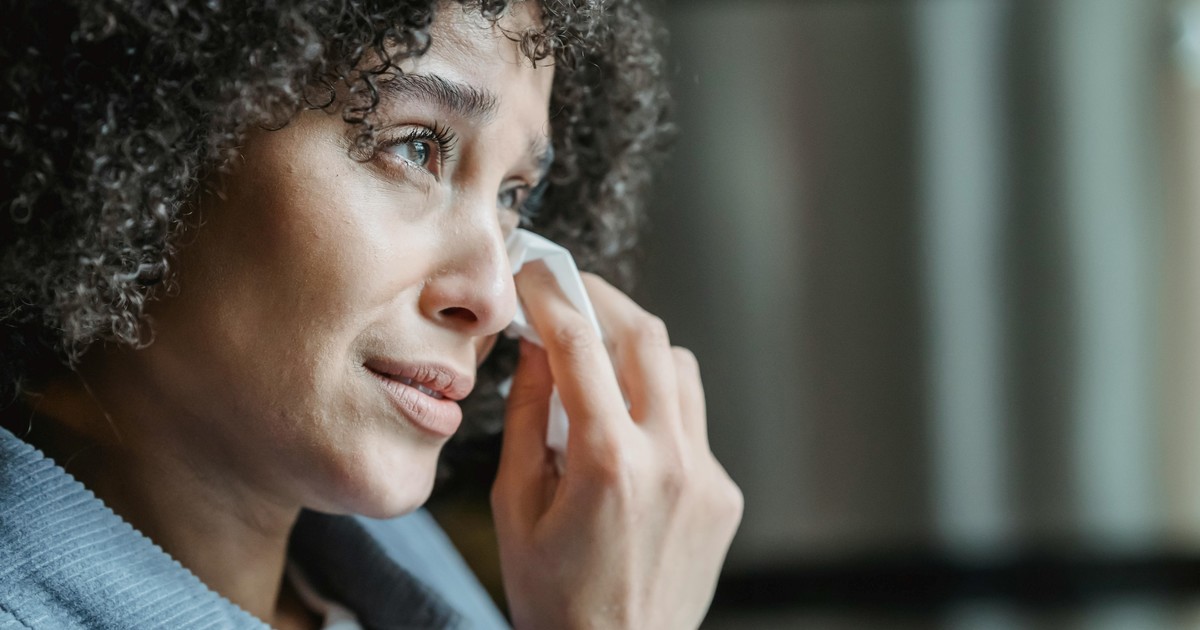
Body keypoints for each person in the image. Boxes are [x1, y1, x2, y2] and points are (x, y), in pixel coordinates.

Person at [0, 0, 743, 628]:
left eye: (514, 196)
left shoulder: (383, 564)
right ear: (157, 128)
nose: (494, 298)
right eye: (416, 148)